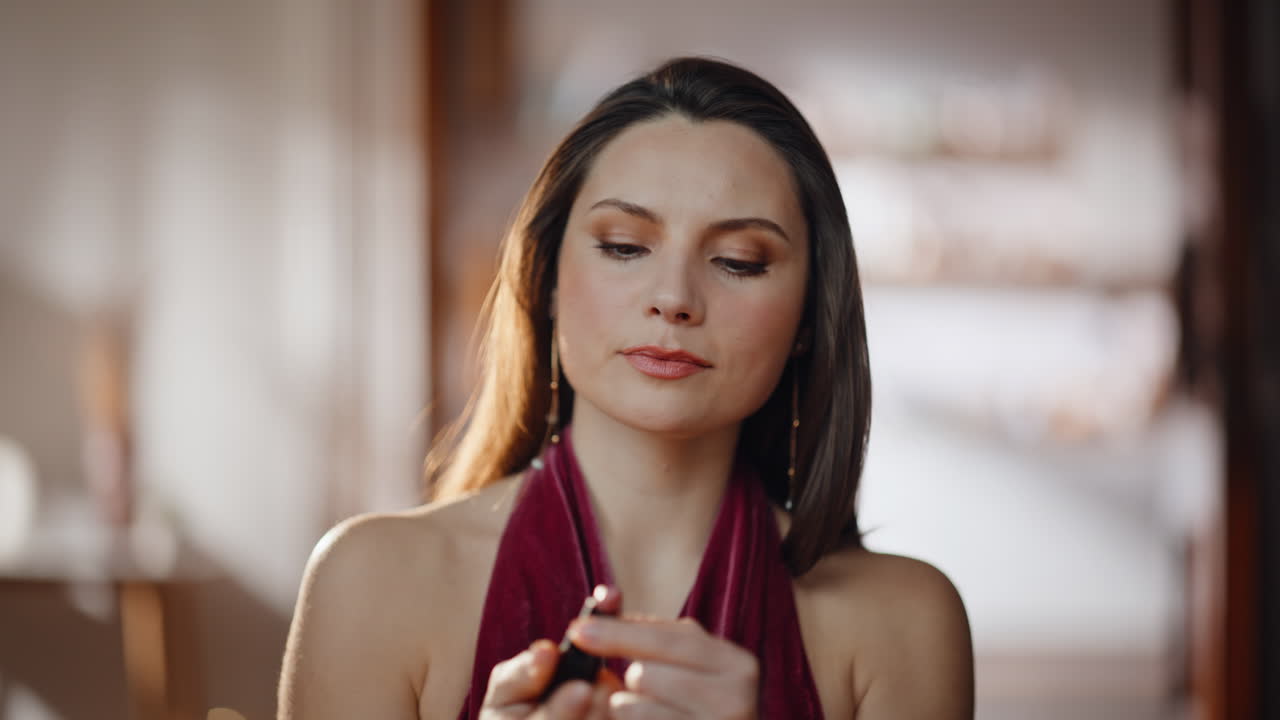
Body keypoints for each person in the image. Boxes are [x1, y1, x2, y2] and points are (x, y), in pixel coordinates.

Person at [278, 57, 973, 719]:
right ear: (548, 282)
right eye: (623, 247)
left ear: (808, 319)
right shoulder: (371, 582)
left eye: (738, 261)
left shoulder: (905, 621)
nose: (674, 299)